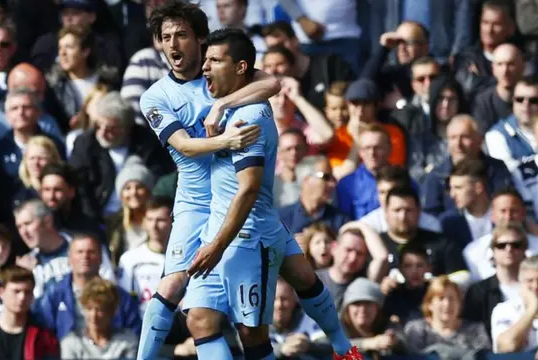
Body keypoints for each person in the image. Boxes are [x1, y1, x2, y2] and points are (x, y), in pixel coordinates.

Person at [140, 5, 358, 358]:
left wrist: (222, 105)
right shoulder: (157, 96)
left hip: (244, 208)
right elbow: (182, 144)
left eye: (181, 35)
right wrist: (224, 139)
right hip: (196, 204)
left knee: (289, 286)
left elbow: (271, 82)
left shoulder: (228, 79)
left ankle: (345, 348)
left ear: (199, 39)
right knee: (183, 297)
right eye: (165, 37)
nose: (173, 44)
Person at [0, 266, 60, 359]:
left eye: (27, 292)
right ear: (1, 293)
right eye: (16, 291)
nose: (22, 297)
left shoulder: (44, 337)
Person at [463, 224, 527, 340]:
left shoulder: (534, 287)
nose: (509, 249)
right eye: (501, 245)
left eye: (516, 245)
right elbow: (470, 330)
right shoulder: (478, 291)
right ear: (493, 251)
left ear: (524, 250)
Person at [404, 277, 491, 356]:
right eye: (441, 298)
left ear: (459, 304)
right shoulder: (416, 330)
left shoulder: (476, 330)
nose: (447, 304)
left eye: (452, 298)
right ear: (430, 304)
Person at [118, 196, 173, 315]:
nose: (154, 226)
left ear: (172, 221)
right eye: (149, 219)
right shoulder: (129, 259)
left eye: (161, 220)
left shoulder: (184, 259)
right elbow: (125, 302)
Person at [60, 277, 139, 359]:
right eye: (89, 308)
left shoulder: (128, 341)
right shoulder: (71, 342)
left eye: (100, 309)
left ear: (112, 311)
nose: (94, 316)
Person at [491, 255, 538, 353]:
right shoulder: (504, 310)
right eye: (529, 280)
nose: (535, 286)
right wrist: (532, 309)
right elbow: (507, 346)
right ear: (520, 281)